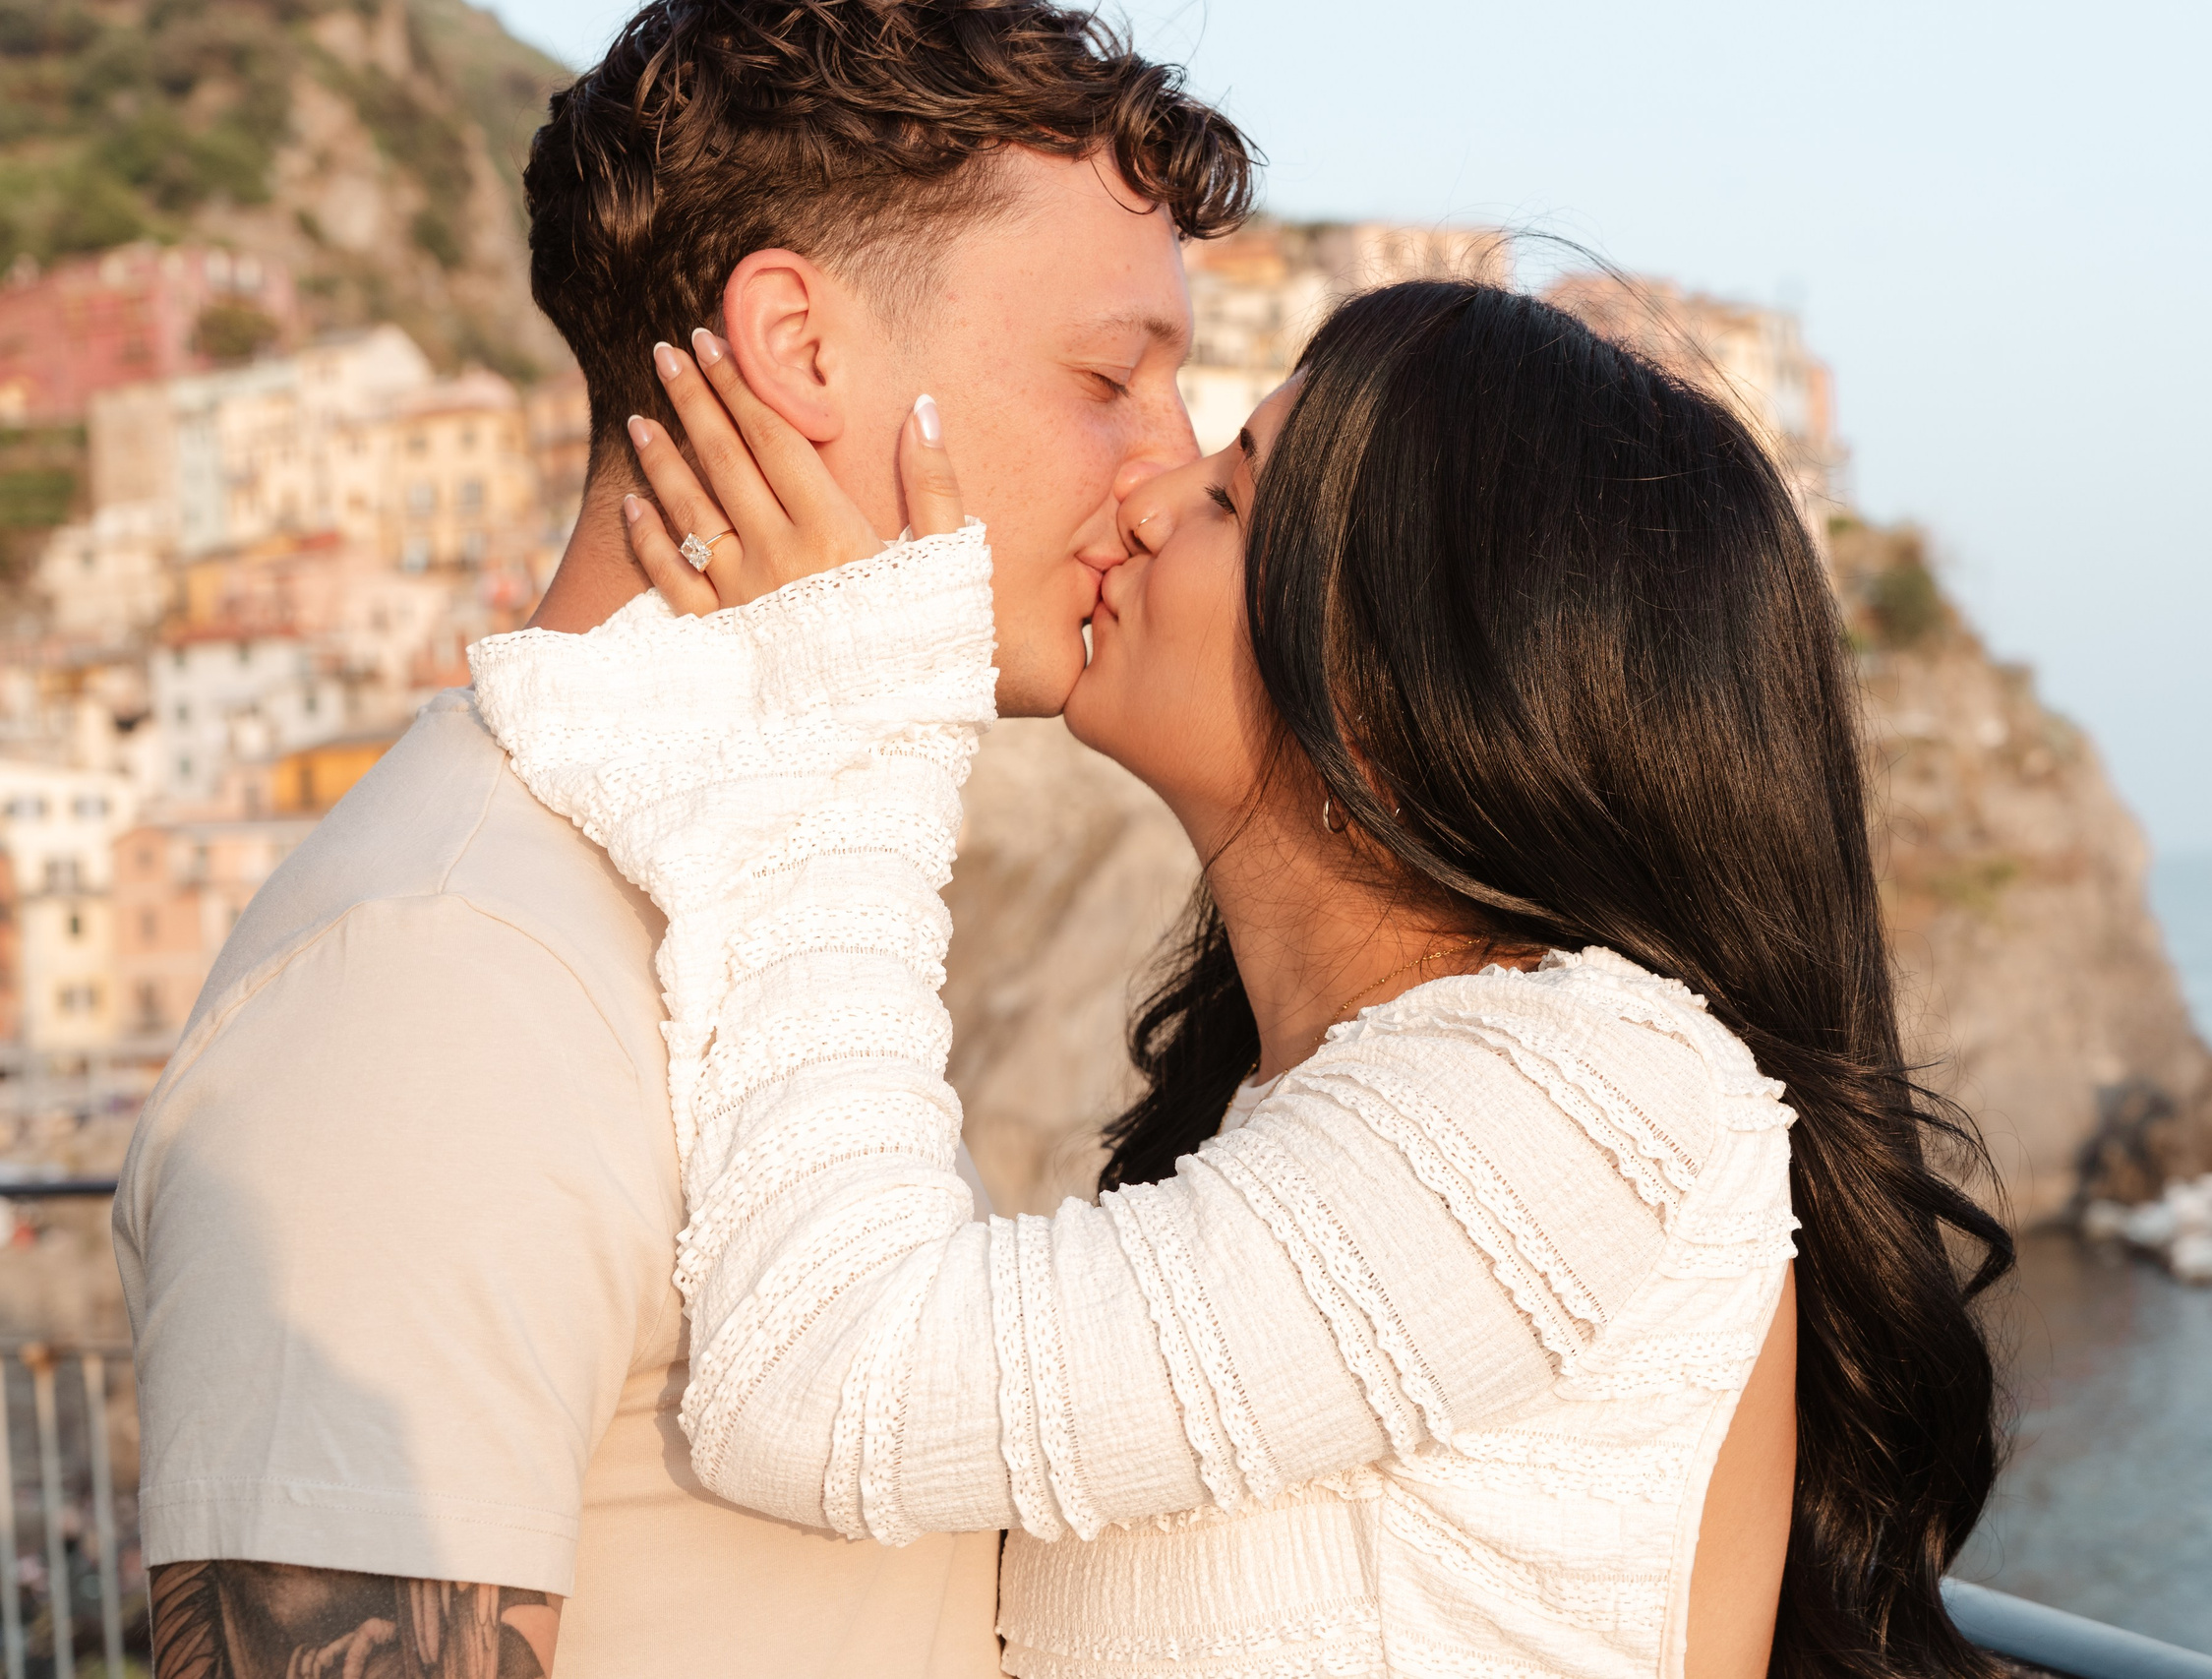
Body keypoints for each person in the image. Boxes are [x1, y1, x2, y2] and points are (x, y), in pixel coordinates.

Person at [466, 279, 2018, 1677]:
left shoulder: (1580, 1102)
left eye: (1232, 490)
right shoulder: (1368, 1103)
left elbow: (823, 1378)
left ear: (1401, 651)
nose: (1147, 497)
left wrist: (860, 723)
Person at [110, 3, 1250, 1674]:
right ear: (797, 348)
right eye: (1109, 377)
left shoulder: (762, 887)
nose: (1167, 470)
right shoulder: (442, 979)